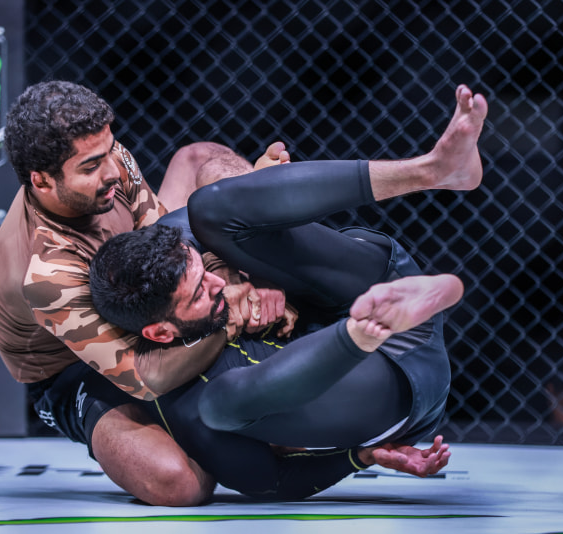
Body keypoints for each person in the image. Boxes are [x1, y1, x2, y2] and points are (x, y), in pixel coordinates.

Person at [89, 85, 487, 496]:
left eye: (202, 270)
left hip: (371, 282)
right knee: (216, 406)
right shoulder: (180, 402)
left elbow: (227, 211)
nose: (217, 283)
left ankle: (435, 170)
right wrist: (360, 458)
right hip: (395, 384)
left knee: (208, 208)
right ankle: (362, 331)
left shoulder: (167, 240)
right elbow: (272, 479)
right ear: (160, 333)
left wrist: (248, 260)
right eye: (199, 294)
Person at [0, 80, 290, 506]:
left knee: (200, 160)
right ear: (42, 181)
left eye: (110, 149)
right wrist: (229, 313)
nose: (112, 170)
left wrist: (235, 272)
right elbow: (145, 377)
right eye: (91, 166)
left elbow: (167, 241)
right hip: (79, 367)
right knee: (177, 483)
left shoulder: (110, 162)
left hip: (143, 291)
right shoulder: (45, 273)